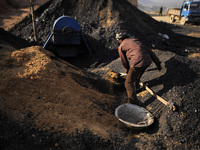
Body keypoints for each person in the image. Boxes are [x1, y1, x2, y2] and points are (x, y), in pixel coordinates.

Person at [116, 32, 162, 106]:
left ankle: (134, 103)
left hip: (138, 62)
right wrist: (158, 63)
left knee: (128, 83)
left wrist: (127, 71)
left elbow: (124, 61)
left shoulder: (121, 46)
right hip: (147, 61)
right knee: (136, 76)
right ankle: (136, 89)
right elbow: (150, 51)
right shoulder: (135, 40)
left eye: (118, 40)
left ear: (120, 39)